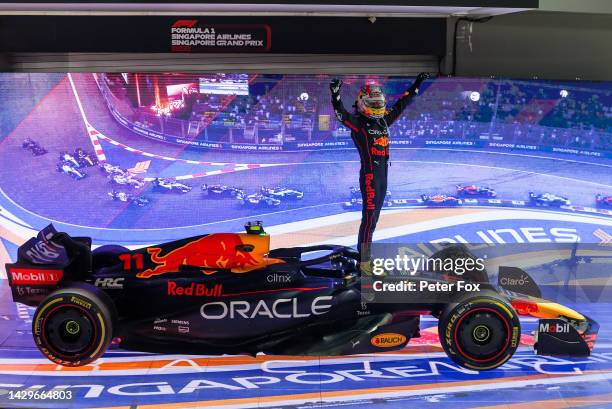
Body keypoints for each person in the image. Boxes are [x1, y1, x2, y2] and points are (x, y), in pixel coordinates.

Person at [330, 73, 430, 268]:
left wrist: (417, 83)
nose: (377, 107)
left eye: (378, 103)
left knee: (373, 220)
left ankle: (365, 256)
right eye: (373, 104)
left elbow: (403, 102)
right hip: (370, 176)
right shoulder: (358, 124)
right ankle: (364, 260)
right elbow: (340, 113)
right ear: (362, 103)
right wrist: (335, 94)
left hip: (383, 176)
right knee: (369, 220)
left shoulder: (384, 121)